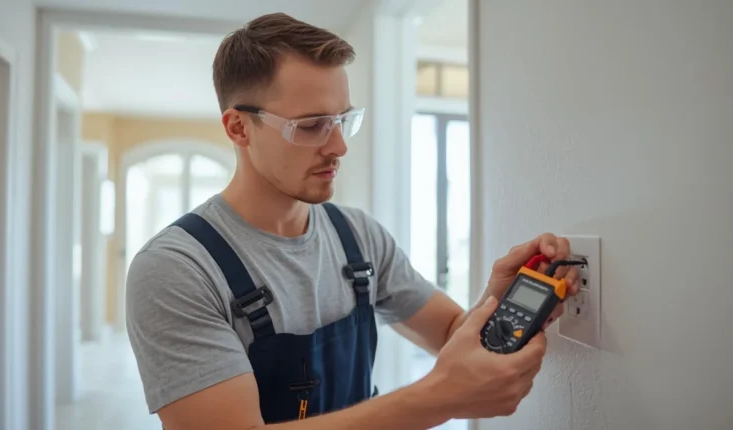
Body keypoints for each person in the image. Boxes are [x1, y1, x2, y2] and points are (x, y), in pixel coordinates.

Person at [125, 12, 580, 430]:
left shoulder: (358, 239)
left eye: (343, 120)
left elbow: (448, 334)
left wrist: (495, 300)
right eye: (311, 126)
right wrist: (438, 398)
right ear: (239, 128)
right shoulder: (175, 270)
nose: (339, 146)